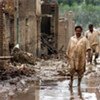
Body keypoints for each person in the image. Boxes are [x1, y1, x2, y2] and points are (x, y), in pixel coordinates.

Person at [66, 26, 91, 96]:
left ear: (81, 31)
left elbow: (88, 48)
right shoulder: (72, 38)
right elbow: (68, 47)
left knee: (81, 71)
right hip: (72, 57)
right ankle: (71, 81)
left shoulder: (84, 39)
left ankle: (79, 83)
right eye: (77, 31)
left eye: (79, 31)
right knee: (71, 70)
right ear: (75, 31)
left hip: (81, 57)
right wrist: (67, 55)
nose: (78, 32)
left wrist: (89, 57)